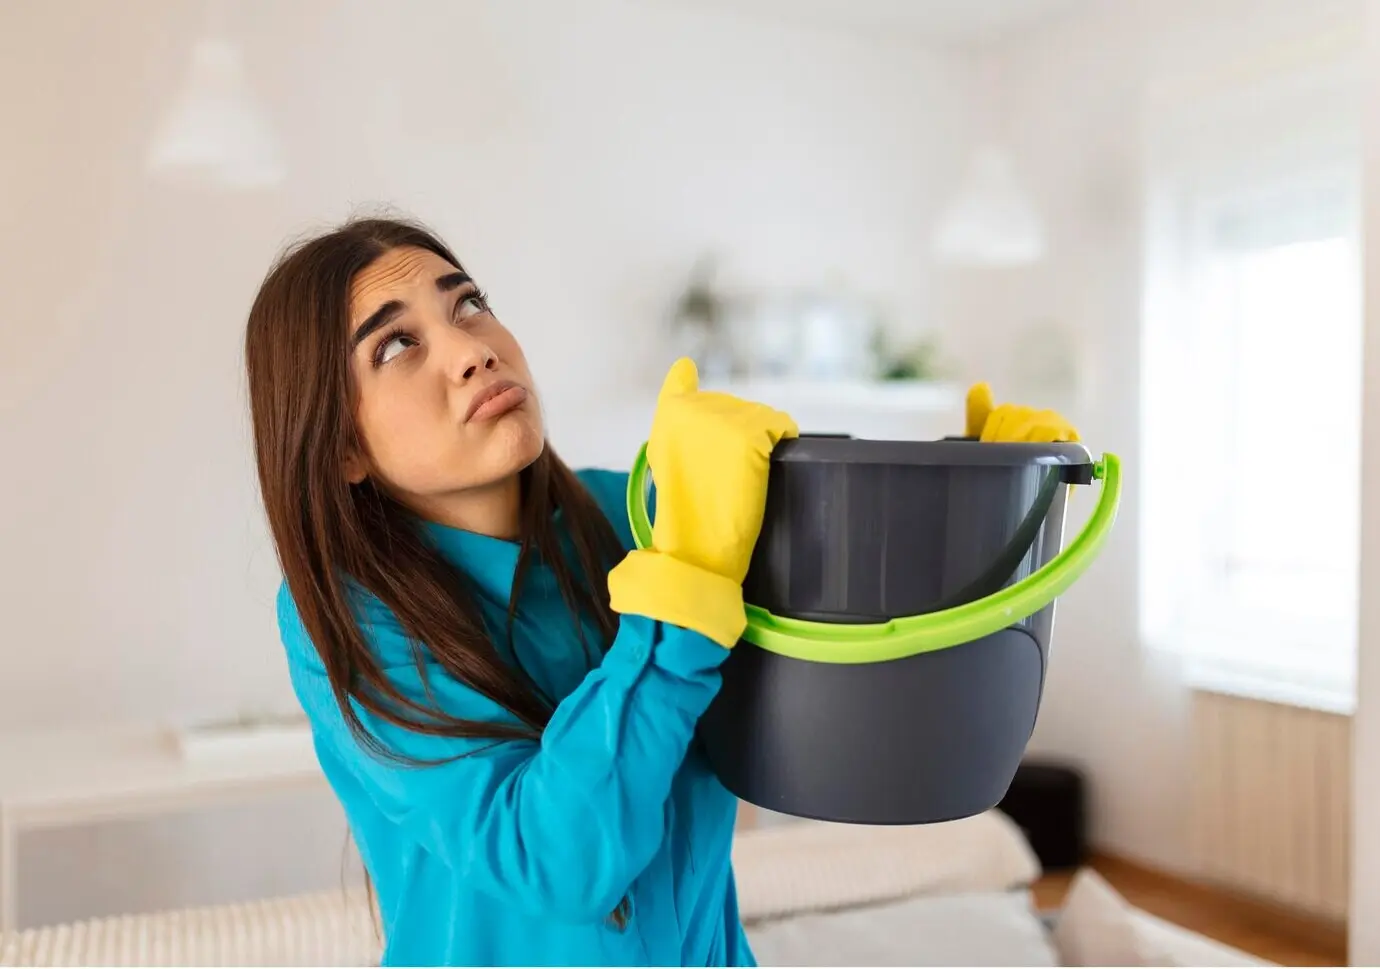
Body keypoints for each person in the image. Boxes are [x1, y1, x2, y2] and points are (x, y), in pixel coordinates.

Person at [243, 215, 1078, 967]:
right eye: (396, 346)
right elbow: (555, 860)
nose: (472, 348)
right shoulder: (344, 615)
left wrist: (985, 509)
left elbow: (839, 695)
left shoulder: (638, 510)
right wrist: (682, 584)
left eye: (468, 305)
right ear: (340, 446)